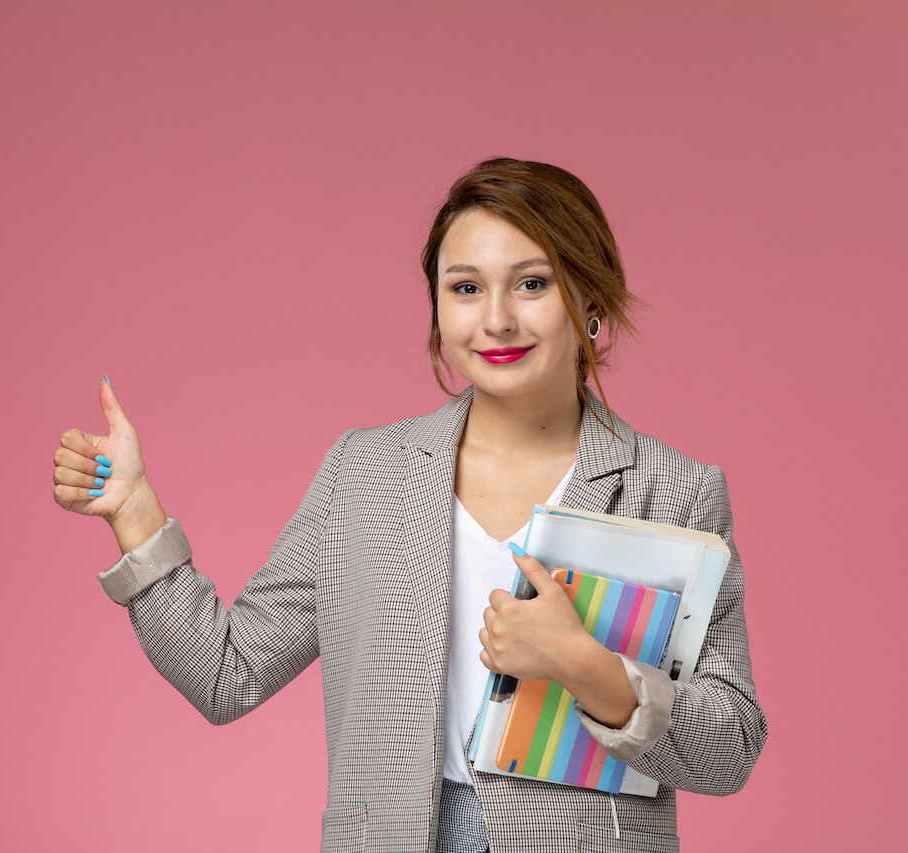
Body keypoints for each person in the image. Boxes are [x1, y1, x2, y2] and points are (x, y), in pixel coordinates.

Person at [51, 158, 766, 852]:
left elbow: (729, 747)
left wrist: (588, 666)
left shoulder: (673, 490)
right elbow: (227, 674)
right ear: (436, 306)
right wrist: (136, 516)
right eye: (464, 288)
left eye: (532, 283)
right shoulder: (364, 475)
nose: (496, 319)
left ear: (591, 300)